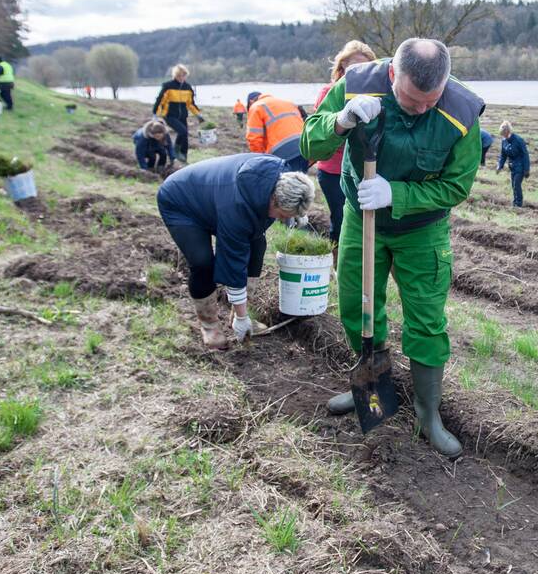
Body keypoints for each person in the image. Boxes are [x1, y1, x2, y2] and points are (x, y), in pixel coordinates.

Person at [302, 38, 482, 458]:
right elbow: (310, 145)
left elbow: (457, 185)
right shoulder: (355, 84)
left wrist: (396, 194)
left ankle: (427, 414)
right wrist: (341, 122)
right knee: (357, 304)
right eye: (410, 99)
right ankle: (371, 387)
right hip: (360, 217)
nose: (420, 109)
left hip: (422, 228)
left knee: (426, 318)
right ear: (391, 75)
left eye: (429, 102)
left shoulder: (461, 111)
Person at [157, 154, 315, 349]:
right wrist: (243, 318)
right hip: (182, 203)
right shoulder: (238, 209)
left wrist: (296, 215)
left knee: (258, 247)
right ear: (273, 199)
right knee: (202, 262)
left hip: (214, 198)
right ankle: (210, 325)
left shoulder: (283, 176)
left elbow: (294, 195)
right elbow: (234, 262)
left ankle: (238, 313)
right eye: (282, 215)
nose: (282, 220)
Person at [312, 41, 377, 260]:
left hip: (364, 170)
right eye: (354, 70)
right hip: (333, 171)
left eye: (366, 69)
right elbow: (322, 132)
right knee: (341, 219)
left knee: (368, 221)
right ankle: (338, 265)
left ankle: (367, 265)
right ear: (341, 70)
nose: (359, 75)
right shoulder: (329, 93)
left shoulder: (376, 98)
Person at [244, 91, 309, 172]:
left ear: (251, 102)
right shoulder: (287, 102)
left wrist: (262, 160)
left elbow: (254, 139)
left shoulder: (256, 106)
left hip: (283, 151)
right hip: (304, 146)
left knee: (286, 182)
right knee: (301, 180)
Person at [153, 63, 204, 163]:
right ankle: (175, 151)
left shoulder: (188, 87)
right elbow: (160, 101)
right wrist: (155, 114)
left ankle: (184, 156)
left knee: (185, 135)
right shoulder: (168, 86)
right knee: (183, 131)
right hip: (169, 115)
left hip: (183, 116)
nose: (181, 78)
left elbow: (190, 104)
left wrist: (198, 115)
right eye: (179, 75)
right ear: (175, 75)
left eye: (183, 75)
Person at [495, 121, 530, 207]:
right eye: (503, 135)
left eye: (505, 135)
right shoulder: (504, 141)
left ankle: (518, 204)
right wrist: (500, 165)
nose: (504, 137)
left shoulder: (518, 140)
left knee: (516, 184)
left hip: (520, 167)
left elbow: (525, 155)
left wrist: (526, 169)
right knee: (513, 186)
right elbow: (503, 155)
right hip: (512, 167)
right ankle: (515, 203)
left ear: (508, 132)